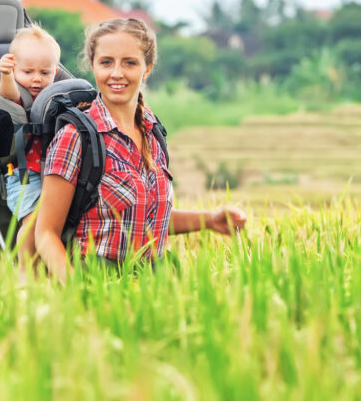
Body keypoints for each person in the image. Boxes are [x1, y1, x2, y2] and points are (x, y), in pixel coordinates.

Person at [34, 17, 246, 281]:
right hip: (97, 282)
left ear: (147, 68)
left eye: (130, 63)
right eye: (106, 62)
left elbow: (144, 219)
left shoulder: (154, 134)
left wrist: (211, 220)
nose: (117, 73)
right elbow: (45, 233)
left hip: (153, 285)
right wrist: (79, 293)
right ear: (93, 66)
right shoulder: (76, 138)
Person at [0, 23, 60, 278]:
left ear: (55, 71)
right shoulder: (21, 96)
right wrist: (7, 76)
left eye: (45, 72)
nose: (36, 79)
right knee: (33, 220)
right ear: (16, 69)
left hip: (54, 174)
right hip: (25, 176)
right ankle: (26, 270)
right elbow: (8, 94)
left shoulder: (55, 96)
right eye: (28, 71)